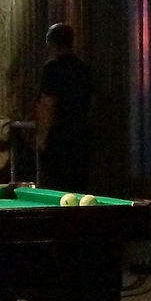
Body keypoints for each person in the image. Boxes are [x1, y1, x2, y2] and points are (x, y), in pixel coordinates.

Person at [34, 23, 92, 192]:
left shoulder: (52, 69)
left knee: (55, 187)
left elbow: (48, 105)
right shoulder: (83, 69)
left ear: (50, 43)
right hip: (81, 136)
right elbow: (92, 102)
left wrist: (42, 137)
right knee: (78, 187)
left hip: (58, 139)